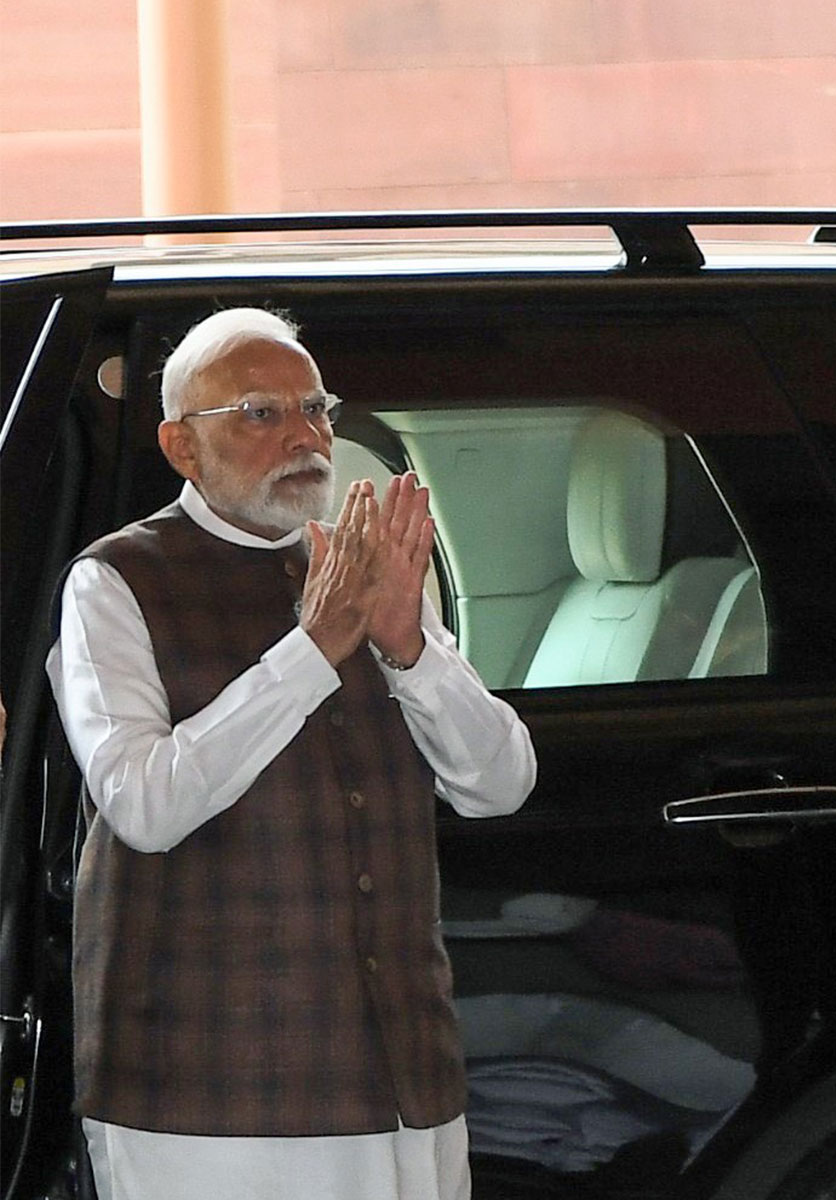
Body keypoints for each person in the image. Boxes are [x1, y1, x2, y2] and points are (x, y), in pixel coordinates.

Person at [47, 307, 539, 1200]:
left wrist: (409, 648)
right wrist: (311, 652)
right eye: (262, 414)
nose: (305, 438)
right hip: (205, 1095)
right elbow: (144, 805)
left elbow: (501, 784)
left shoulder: (364, 568)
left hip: (401, 1076)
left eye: (316, 410)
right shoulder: (115, 582)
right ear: (182, 447)